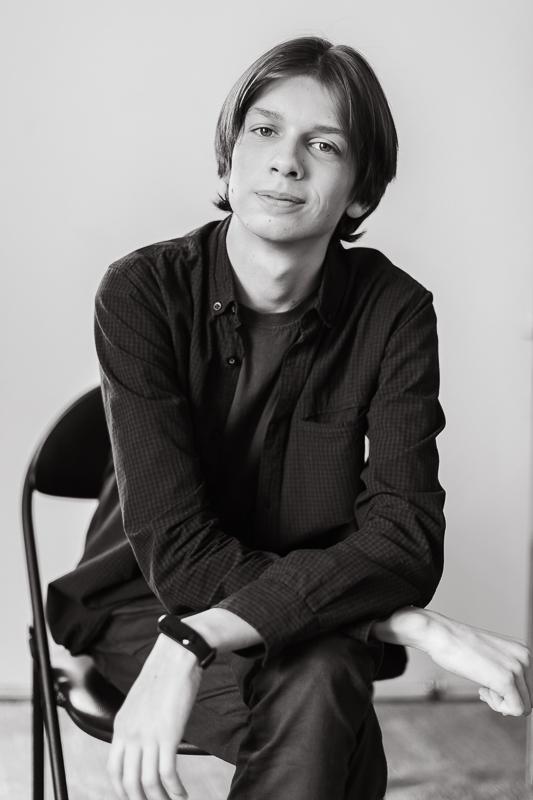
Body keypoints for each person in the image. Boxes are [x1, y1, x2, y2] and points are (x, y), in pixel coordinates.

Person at [46, 36, 531, 800]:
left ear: (360, 193)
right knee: (333, 696)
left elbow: (405, 534)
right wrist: (399, 622)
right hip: (143, 608)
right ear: (228, 158)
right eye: (265, 131)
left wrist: (197, 640)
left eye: (322, 144)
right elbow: (179, 552)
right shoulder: (142, 293)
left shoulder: (394, 312)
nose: (284, 162)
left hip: (263, 623)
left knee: (323, 682)